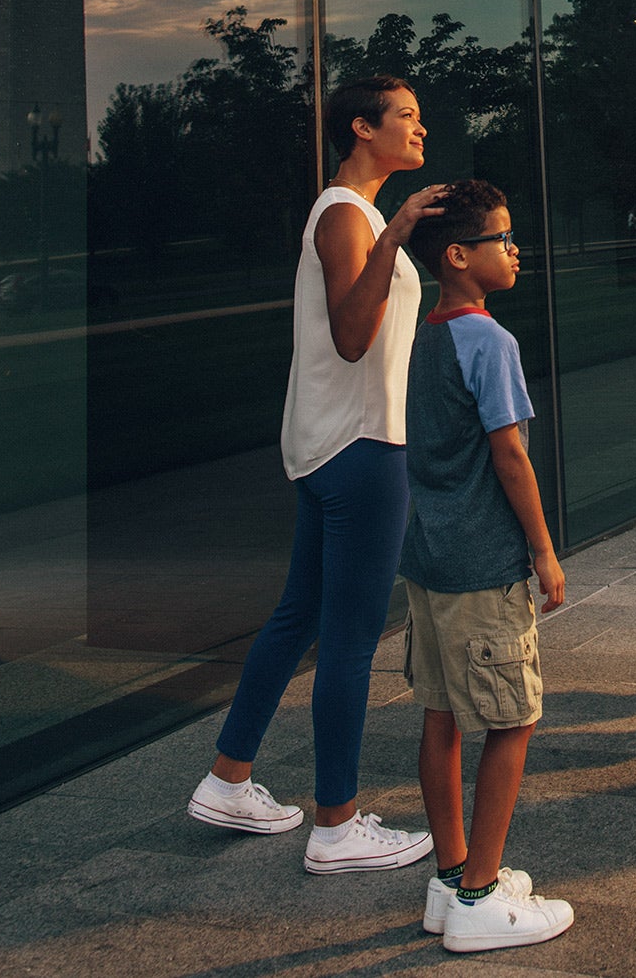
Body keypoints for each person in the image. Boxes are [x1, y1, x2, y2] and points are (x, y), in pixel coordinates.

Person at [186, 75, 445, 874]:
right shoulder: (347, 215)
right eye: (406, 117)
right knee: (350, 639)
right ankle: (336, 825)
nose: (421, 129)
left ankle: (229, 777)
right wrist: (397, 233)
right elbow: (352, 335)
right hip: (361, 448)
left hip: (334, 442)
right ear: (363, 129)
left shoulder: (351, 213)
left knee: (300, 613)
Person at [400, 179, 573, 952]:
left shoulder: (426, 333)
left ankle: (452, 876)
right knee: (513, 720)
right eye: (502, 239)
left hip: (430, 563)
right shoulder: (488, 341)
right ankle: (478, 900)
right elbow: (509, 454)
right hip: (482, 563)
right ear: (458, 256)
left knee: (443, 717)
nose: (514, 250)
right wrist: (542, 548)